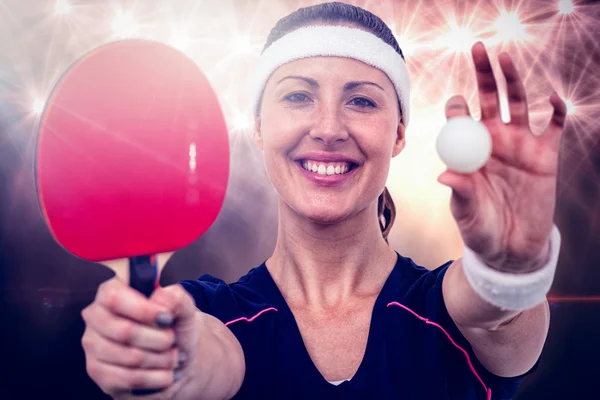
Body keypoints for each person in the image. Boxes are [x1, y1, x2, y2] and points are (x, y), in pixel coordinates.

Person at [81, 2, 566, 399]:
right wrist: (169, 355)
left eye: (361, 101)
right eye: (297, 97)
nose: (329, 129)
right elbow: (210, 358)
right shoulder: (209, 314)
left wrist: (511, 267)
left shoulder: (446, 310)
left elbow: (499, 307)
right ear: (259, 128)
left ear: (398, 134)